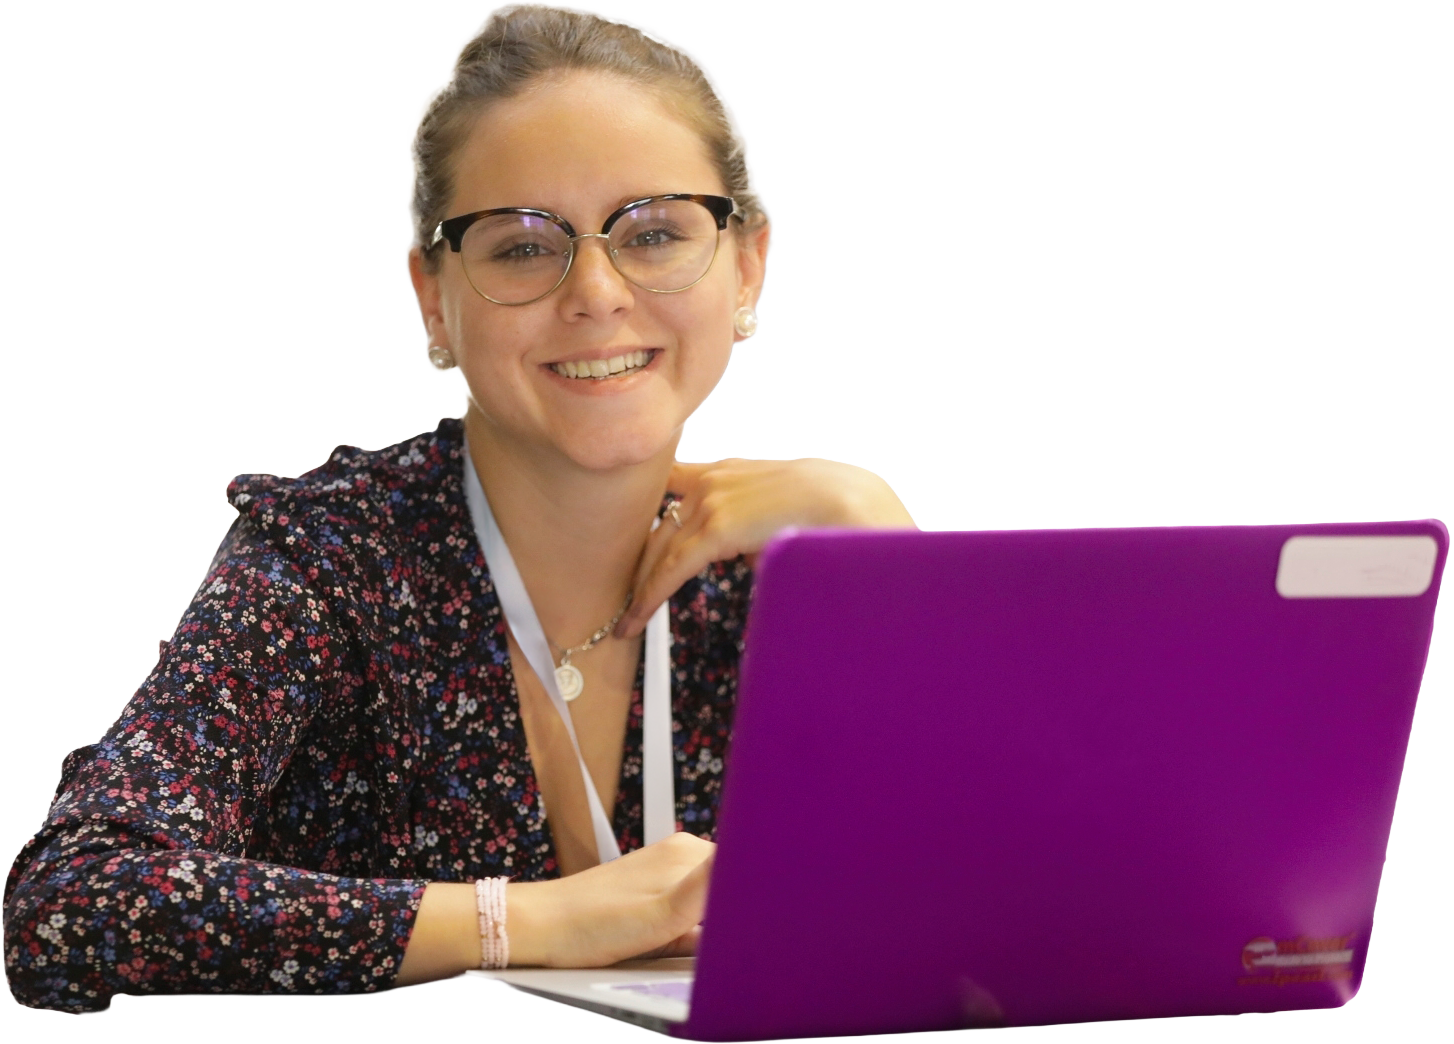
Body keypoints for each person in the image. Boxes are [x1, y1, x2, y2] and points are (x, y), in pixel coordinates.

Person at [2, 2, 914, 1013]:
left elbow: (1013, 891)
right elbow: (68, 901)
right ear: (434, 297)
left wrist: (899, 568)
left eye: (652, 232)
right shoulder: (333, 558)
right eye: (524, 247)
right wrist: (536, 920)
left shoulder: (787, 573)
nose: (597, 290)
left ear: (746, 265)